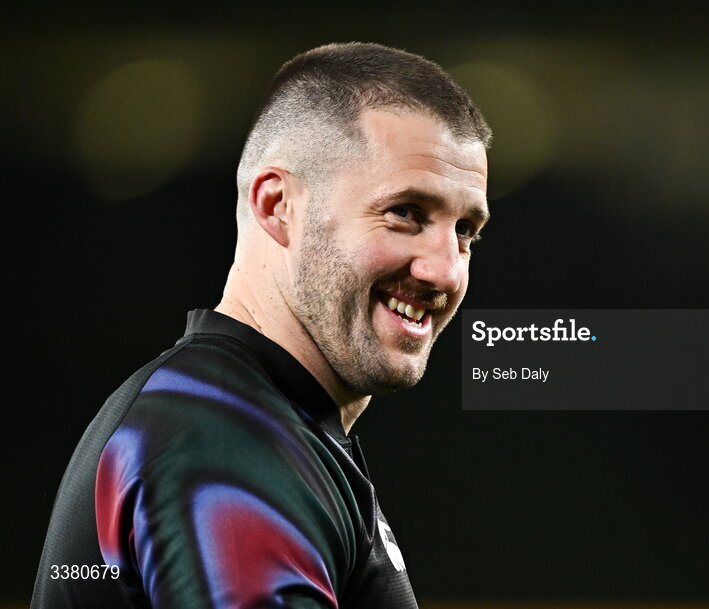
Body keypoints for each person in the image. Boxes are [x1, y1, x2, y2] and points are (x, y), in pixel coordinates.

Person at [32, 42, 491, 609]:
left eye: (466, 230)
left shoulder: (258, 423)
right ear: (277, 206)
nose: (445, 270)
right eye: (405, 213)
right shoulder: (221, 446)